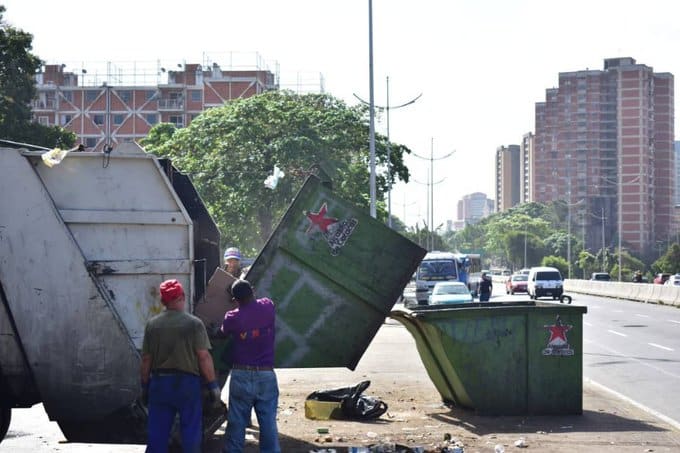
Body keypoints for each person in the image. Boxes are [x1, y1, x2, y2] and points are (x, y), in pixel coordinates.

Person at [140, 279, 221, 453]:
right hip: (187, 385)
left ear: (162, 302)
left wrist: (145, 386)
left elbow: (146, 359)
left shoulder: (152, 325)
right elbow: (204, 357)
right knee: (191, 432)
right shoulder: (194, 324)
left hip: (160, 384)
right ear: (182, 297)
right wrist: (213, 385)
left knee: (157, 434)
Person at [221, 279, 280, 453]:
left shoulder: (232, 317)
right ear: (253, 291)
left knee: (237, 421)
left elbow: (222, 333)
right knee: (268, 421)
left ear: (234, 299)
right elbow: (266, 303)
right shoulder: (267, 307)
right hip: (266, 375)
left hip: (241, 374)